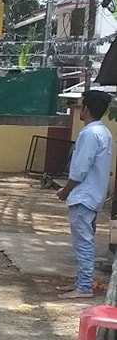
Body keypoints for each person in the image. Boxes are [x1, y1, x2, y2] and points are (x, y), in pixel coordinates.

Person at [57, 90, 114, 300]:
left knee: (83, 243)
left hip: (84, 196)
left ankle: (83, 286)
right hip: (93, 195)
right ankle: (80, 282)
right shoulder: (104, 133)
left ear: (87, 108)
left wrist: (66, 190)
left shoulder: (89, 134)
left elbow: (80, 169)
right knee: (84, 241)